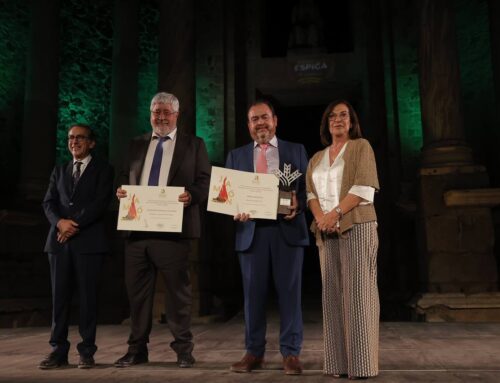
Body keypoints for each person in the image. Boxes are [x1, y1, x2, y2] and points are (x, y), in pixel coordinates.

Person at [114, 92, 210, 369]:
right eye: (157, 112)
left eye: (167, 112)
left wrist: (191, 195)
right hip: (137, 232)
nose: (162, 117)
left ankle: (183, 350)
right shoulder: (135, 145)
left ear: (177, 115)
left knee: (178, 294)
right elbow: (123, 177)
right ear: (150, 114)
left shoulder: (195, 145)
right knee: (137, 296)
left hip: (174, 231)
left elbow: (205, 181)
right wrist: (120, 191)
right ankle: (136, 351)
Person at [226, 100, 309, 375]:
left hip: (287, 231)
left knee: (290, 295)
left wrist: (299, 205)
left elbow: (310, 191)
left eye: (264, 117)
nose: (260, 123)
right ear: (248, 125)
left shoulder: (296, 150)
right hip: (251, 234)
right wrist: (234, 210)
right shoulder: (235, 156)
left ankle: (291, 353)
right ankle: (253, 353)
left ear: (275, 120)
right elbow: (227, 196)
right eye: (253, 119)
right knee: (252, 297)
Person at [306, 100, 380, 379]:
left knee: (359, 295)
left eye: (343, 115)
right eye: (332, 116)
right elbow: (311, 195)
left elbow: (363, 188)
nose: (337, 119)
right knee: (333, 297)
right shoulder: (316, 157)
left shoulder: (362, 147)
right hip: (326, 231)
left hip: (357, 225)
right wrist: (322, 219)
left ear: (351, 122)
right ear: (327, 123)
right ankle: (337, 365)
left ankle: (362, 366)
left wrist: (334, 213)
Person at [39, 124, 114, 369]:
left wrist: (74, 224)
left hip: (88, 244)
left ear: (91, 142)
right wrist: (60, 223)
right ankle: (58, 351)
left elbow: (100, 203)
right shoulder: (59, 169)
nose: (75, 142)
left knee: (87, 299)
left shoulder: (103, 169)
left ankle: (86, 351)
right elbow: (49, 203)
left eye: (80, 138)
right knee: (59, 299)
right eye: (71, 138)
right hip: (59, 244)